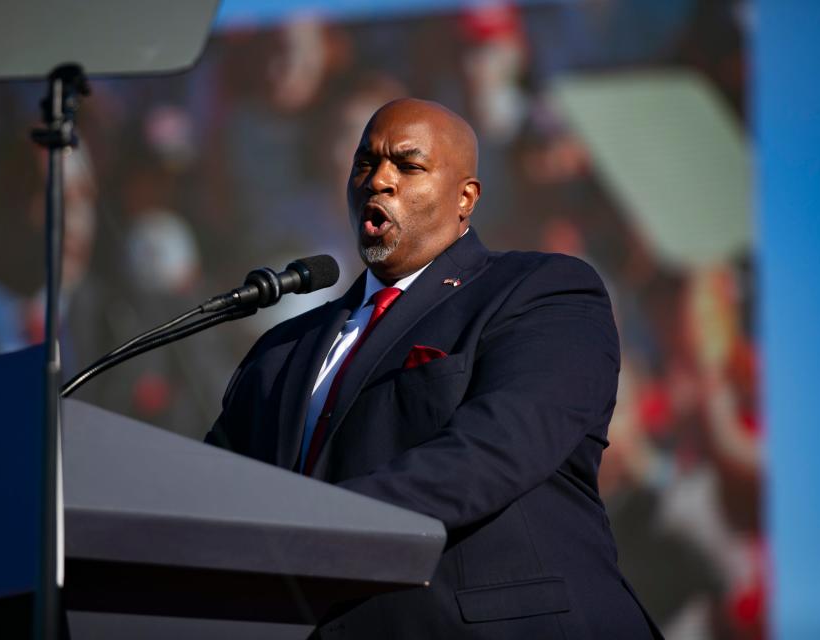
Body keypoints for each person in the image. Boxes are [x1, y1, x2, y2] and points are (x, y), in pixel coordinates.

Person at [206, 98, 662, 639]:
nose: (379, 180)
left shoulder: (540, 291)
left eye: (408, 165)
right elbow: (215, 492)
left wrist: (315, 524)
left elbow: (497, 448)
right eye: (364, 164)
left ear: (466, 197)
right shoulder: (282, 350)